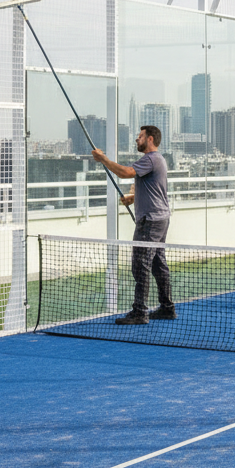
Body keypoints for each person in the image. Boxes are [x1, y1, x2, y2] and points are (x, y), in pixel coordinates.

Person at [92, 125, 176, 325]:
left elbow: (125, 172)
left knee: (140, 265)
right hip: (160, 218)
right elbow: (152, 188)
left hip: (150, 220)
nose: (136, 140)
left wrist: (103, 159)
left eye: (140, 137)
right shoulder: (158, 160)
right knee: (157, 264)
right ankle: (167, 308)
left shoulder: (150, 159)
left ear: (150, 139)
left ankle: (140, 312)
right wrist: (133, 198)